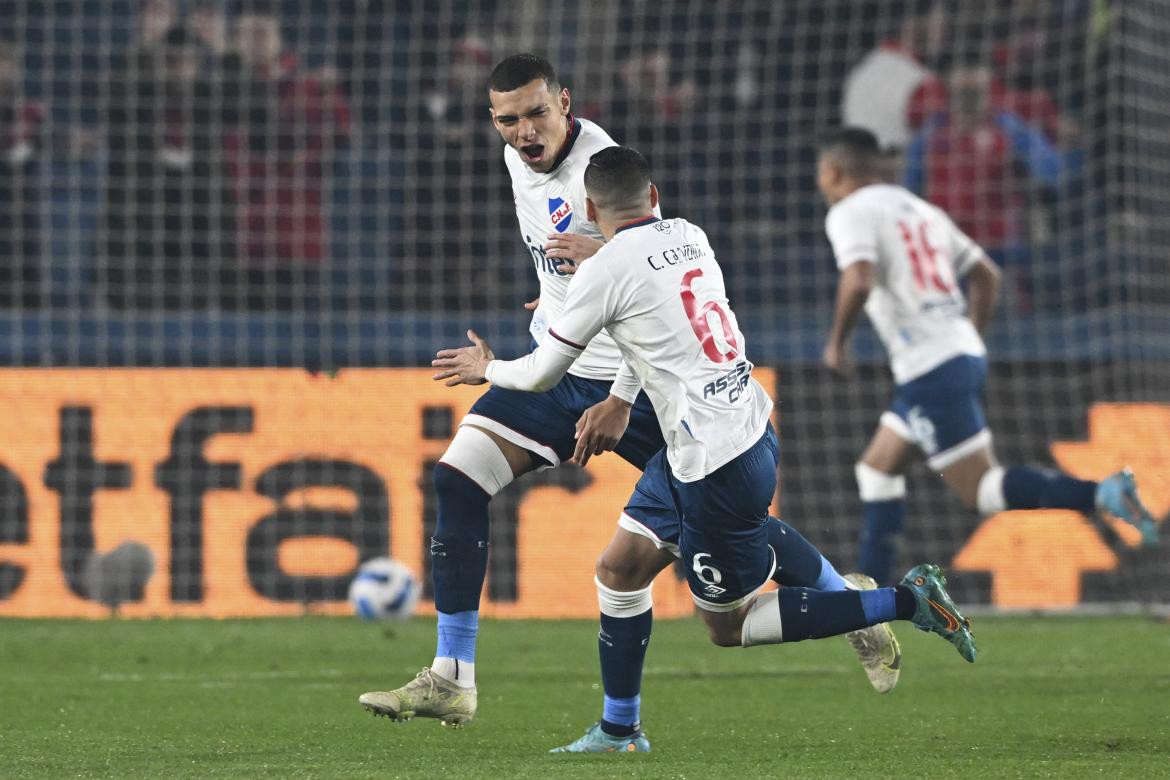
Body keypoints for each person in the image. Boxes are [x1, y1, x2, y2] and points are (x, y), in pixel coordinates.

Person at [357, 55, 900, 750]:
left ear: (565, 102)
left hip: (633, 384)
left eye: (536, 114)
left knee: (727, 522)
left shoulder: (605, 165)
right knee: (458, 476)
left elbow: (653, 281)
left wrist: (617, 398)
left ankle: (853, 609)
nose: (524, 132)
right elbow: (569, 261)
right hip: (562, 372)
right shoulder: (515, 159)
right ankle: (452, 676)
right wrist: (559, 298)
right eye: (508, 119)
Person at [429, 146, 978, 746]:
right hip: (733, 428)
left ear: (589, 207)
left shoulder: (604, 272)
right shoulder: (690, 235)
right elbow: (651, 326)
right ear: (655, 196)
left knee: (729, 627)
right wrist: (619, 396)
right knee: (619, 570)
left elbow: (540, 373)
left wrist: (486, 368)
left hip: (715, 462)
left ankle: (903, 601)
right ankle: (619, 729)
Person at [816, 127, 1157, 585]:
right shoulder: (920, 209)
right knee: (877, 466)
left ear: (833, 171)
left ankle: (1102, 494)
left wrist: (837, 342)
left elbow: (857, 279)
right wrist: (967, 337)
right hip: (955, 354)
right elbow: (987, 275)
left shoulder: (849, 212)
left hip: (930, 366)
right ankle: (871, 604)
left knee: (982, 490)